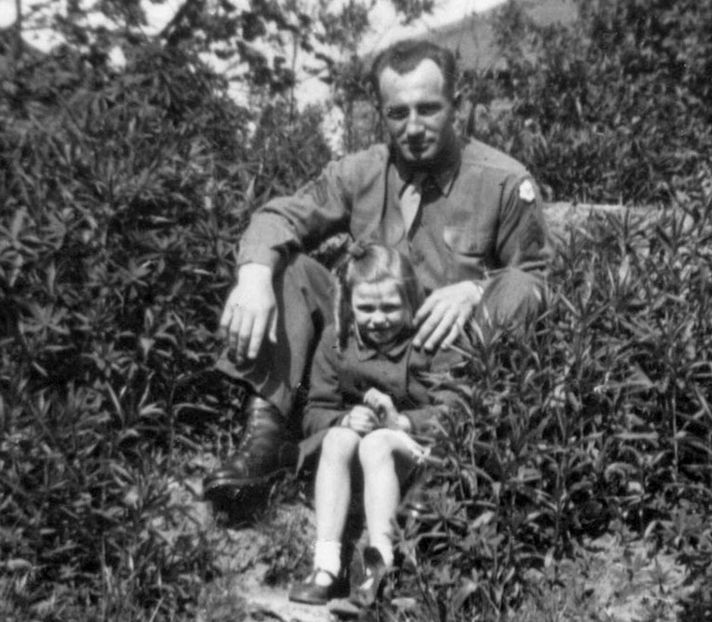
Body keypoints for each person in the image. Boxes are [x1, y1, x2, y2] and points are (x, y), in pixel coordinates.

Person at [204, 37, 549, 511]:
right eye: (397, 113)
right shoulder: (360, 172)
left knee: (519, 288)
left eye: (428, 109)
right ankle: (267, 439)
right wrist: (253, 278)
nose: (413, 127)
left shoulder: (503, 181)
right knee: (287, 267)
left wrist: (476, 289)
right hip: (365, 356)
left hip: (448, 367)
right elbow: (280, 217)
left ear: (458, 104)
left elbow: (535, 276)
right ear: (380, 113)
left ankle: (449, 458)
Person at [289, 243, 467, 606]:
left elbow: (455, 408)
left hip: (414, 456)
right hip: (351, 463)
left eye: (390, 307)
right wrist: (344, 419)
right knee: (337, 439)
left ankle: (380, 564)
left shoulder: (432, 339)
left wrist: (401, 421)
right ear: (349, 305)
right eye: (366, 308)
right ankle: (326, 565)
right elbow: (315, 410)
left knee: (377, 443)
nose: (378, 319)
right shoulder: (337, 341)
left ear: (411, 301)